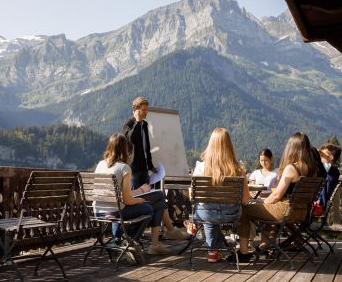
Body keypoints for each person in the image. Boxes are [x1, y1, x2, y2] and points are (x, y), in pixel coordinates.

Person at [233, 132, 318, 262]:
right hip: (300, 212)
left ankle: (243, 253)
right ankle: (263, 246)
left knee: (244, 209)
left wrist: (263, 203)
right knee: (265, 211)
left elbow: (277, 195)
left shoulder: (291, 168)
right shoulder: (312, 169)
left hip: (284, 210)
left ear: (292, 148)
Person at [122, 97, 187, 241]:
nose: (146, 113)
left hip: (144, 169)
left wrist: (151, 165)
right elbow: (130, 141)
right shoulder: (128, 124)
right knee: (134, 199)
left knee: (148, 199)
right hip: (133, 170)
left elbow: (146, 147)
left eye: (147, 110)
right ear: (136, 110)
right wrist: (137, 122)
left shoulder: (145, 125)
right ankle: (133, 234)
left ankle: (149, 233)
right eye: (144, 110)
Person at [94, 133, 172, 254]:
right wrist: (141, 200)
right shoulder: (124, 168)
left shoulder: (100, 164)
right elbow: (127, 200)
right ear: (125, 149)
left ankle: (127, 240)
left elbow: (119, 195)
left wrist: (139, 194)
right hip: (116, 211)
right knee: (148, 208)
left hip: (98, 212)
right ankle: (130, 242)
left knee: (160, 205)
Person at [192, 128, 250, 263]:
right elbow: (245, 199)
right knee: (213, 211)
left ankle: (213, 250)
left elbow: (193, 195)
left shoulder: (201, 168)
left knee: (208, 211)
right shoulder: (238, 170)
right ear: (229, 146)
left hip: (206, 215)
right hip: (230, 215)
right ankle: (216, 249)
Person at [312, 143, 342, 216]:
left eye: (322, 155)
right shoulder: (331, 171)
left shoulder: (330, 169)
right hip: (318, 204)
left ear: (331, 157)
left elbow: (323, 166)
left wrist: (315, 151)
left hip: (317, 206)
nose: (320, 157)